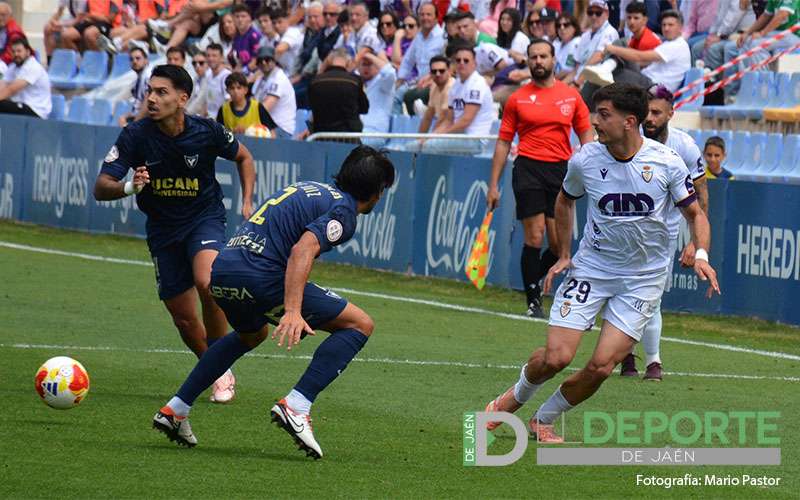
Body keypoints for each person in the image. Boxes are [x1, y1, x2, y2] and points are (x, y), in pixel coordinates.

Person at [484, 82, 720, 442]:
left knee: (602, 366)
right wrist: (564, 253)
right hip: (593, 269)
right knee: (556, 357)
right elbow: (564, 202)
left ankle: (543, 419)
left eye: (603, 115)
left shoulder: (667, 162)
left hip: (644, 278)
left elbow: (695, 214)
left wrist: (701, 254)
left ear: (629, 121)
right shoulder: (585, 160)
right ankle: (511, 399)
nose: (594, 121)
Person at [151, 146, 395, 459]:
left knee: (250, 335)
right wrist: (292, 311)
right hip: (259, 275)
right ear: (377, 191)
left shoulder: (312, 189)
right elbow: (302, 251)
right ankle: (297, 405)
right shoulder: (344, 212)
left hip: (224, 270)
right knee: (359, 324)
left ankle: (176, 409)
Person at [94, 64, 256, 405]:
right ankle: (215, 369)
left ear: (183, 98)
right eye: (150, 91)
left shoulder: (206, 131)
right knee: (183, 318)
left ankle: (220, 358)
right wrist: (129, 187)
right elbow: (101, 187)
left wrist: (248, 202)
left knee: (207, 282)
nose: (152, 98)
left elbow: (244, 157)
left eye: (161, 92)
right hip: (163, 230)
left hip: (204, 218)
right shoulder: (135, 135)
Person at [487, 38, 593, 317]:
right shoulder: (518, 98)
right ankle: (533, 301)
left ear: (553, 59)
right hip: (528, 168)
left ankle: (537, 285)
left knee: (559, 245)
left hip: (560, 171)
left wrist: (590, 165)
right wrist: (493, 184)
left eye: (543, 56)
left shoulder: (571, 96)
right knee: (534, 236)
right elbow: (503, 141)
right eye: (533, 57)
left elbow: (586, 135)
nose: (538, 61)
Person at [619, 83, 709, 380]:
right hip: (624, 230)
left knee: (652, 296)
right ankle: (626, 356)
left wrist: (695, 243)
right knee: (621, 293)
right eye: (647, 112)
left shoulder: (684, 146)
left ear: (672, 112)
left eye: (657, 112)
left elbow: (700, 192)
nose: (650, 118)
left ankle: (653, 362)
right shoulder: (628, 140)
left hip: (664, 233)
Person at [582, 10, 690, 93]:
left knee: (614, 72)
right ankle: (605, 67)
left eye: (670, 25)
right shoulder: (668, 43)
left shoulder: (678, 45)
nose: (666, 28)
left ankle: (606, 68)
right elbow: (643, 62)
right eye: (664, 25)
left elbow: (640, 57)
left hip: (656, 88)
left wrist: (613, 49)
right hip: (646, 80)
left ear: (680, 27)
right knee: (621, 48)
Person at [419, 43, 495, 155]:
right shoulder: (456, 85)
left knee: (430, 146)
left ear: (474, 63)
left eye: (466, 60)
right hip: (459, 138)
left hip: (475, 140)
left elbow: (465, 121)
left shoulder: (477, 84)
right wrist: (430, 136)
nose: (461, 63)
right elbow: (448, 120)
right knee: (414, 146)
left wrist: (440, 136)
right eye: (458, 60)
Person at [394, 2, 444, 115]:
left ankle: (419, 129)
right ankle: (399, 130)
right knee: (395, 95)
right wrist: (399, 80)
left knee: (410, 97)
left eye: (428, 14)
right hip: (419, 82)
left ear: (436, 18)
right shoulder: (419, 37)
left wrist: (431, 79)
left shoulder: (442, 38)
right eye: (422, 14)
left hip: (435, 82)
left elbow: (446, 64)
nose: (425, 17)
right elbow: (407, 61)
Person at [308, 48, 369, 135]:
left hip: (321, 135)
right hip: (348, 137)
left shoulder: (315, 81)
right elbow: (364, 108)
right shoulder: (354, 81)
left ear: (329, 61)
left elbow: (312, 106)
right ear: (348, 62)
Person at [736, 0, 800, 78]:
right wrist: (747, 33)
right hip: (780, 34)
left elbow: (782, 15)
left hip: (794, 35)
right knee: (745, 42)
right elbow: (765, 16)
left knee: (757, 45)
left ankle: (764, 82)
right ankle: (748, 80)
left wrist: (762, 33)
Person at [568, 0, 619, 86]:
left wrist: (577, 82)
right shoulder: (585, 35)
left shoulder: (610, 32)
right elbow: (575, 69)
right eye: (590, 12)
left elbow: (598, 56)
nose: (594, 16)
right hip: (578, 81)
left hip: (595, 82)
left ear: (606, 14)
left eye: (598, 13)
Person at [252, 46, 297, 138]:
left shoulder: (279, 78)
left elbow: (265, 108)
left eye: (267, 59)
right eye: (260, 60)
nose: (264, 63)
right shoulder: (260, 79)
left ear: (274, 61)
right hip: (265, 127)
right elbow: (252, 103)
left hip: (281, 129)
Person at [0, 39, 51, 119]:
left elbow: (11, 89)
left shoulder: (33, 67)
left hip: (36, 111)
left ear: (27, 52)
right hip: (22, 106)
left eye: (19, 51)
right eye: (13, 52)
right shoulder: (13, 67)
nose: (16, 54)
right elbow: (2, 85)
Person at [217, 71, 278, 137]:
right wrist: (232, 132)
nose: (235, 91)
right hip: (234, 146)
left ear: (245, 90)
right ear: (227, 91)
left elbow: (272, 132)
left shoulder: (257, 107)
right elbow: (219, 135)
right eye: (232, 88)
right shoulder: (223, 109)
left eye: (239, 88)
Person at [359, 50, 396, 141]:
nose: (366, 68)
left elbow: (390, 73)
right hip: (357, 131)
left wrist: (370, 56)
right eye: (364, 64)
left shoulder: (383, 83)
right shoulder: (357, 82)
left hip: (375, 133)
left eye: (370, 64)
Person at [418, 55, 455, 133]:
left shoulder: (451, 87)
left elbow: (443, 119)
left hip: (456, 134)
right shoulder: (434, 86)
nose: (438, 74)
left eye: (441, 71)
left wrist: (427, 140)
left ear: (449, 71)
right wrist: (419, 138)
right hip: (444, 132)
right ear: (430, 73)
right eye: (434, 71)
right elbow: (428, 117)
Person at [117, 46, 151, 126]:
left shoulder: (148, 77)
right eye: (131, 59)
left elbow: (146, 104)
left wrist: (133, 126)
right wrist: (126, 116)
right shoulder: (139, 78)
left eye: (138, 58)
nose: (134, 61)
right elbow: (138, 106)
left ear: (146, 60)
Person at [272, 8, 305, 77]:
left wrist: (266, 61)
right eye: (274, 23)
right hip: (286, 74)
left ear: (287, 20)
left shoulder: (292, 32)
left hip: (297, 75)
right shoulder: (278, 37)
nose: (276, 26)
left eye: (279, 22)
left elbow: (279, 50)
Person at [230, 4, 262, 73]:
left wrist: (242, 72)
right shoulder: (236, 37)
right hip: (244, 72)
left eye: (243, 16)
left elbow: (256, 61)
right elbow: (240, 60)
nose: (240, 19)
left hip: (256, 73)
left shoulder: (254, 36)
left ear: (250, 18)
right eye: (237, 16)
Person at [205, 43, 232, 120]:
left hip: (220, 121)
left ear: (222, 58)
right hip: (209, 119)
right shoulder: (208, 74)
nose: (210, 59)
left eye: (214, 56)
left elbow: (229, 102)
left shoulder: (226, 76)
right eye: (208, 55)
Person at [554, 14, 581, 80]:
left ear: (574, 28)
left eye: (566, 25)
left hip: (569, 82)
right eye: (558, 25)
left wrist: (551, 80)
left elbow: (567, 70)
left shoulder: (576, 43)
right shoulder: (556, 43)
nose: (562, 28)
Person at [186, 51, 209, 116]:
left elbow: (200, 99)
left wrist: (186, 112)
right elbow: (190, 97)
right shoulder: (196, 78)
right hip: (194, 114)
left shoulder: (209, 78)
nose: (197, 66)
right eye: (194, 63)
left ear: (208, 63)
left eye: (201, 63)